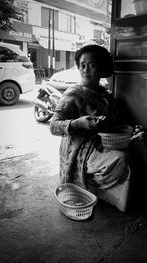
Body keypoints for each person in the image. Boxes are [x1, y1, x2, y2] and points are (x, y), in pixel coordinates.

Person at [49, 45, 130, 206]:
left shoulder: (105, 94)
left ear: (101, 69)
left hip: (103, 142)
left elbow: (116, 121)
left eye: (92, 65)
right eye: (82, 65)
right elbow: (53, 126)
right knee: (120, 158)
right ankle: (90, 185)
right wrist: (78, 123)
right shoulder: (72, 95)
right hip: (80, 149)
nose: (86, 70)